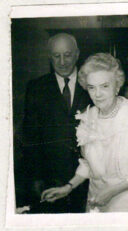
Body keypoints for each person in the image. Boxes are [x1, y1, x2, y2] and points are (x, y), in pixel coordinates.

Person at [41, 53, 128, 212]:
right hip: (96, 200)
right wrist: (69, 187)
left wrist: (110, 192)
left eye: (104, 86)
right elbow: (89, 164)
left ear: (117, 86)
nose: (97, 94)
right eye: (91, 87)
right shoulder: (88, 117)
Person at [22, 33, 92, 213]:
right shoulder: (36, 88)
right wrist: (36, 179)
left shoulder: (93, 86)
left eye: (67, 55)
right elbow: (30, 138)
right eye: (56, 56)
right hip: (50, 181)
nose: (62, 62)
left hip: (88, 179)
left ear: (77, 54)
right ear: (49, 56)